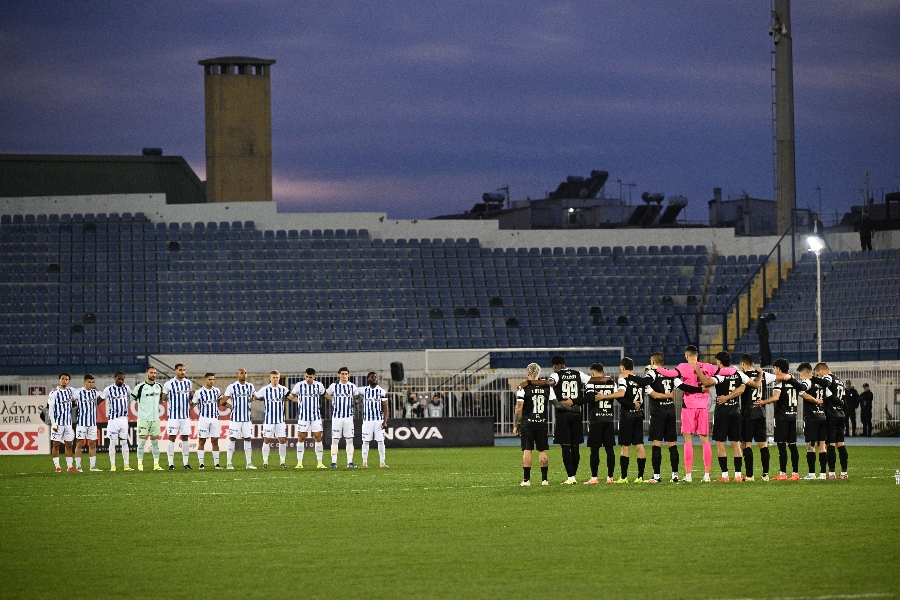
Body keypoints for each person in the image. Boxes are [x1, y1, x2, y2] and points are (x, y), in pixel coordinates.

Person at [655, 346, 737, 482]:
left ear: (687, 356)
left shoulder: (683, 366)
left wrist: (655, 368)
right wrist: (735, 369)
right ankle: (707, 475)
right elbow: (727, 371)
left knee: (688, 440)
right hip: (703, 407)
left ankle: (688, 476)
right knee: (705, 440)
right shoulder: (707, 366)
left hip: (689, 406)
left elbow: (669, 374)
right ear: (697, 355)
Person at [643, 353, 701, 483]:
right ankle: (675, 475)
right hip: (670, 412)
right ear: (662, 362)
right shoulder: (671, 373)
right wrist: (699, 389)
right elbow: (683, 387)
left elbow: (655, 395)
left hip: (658, 413)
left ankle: (656, 476)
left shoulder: (651, 374)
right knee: (672, 444)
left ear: (652, 361)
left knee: (656, 444)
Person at [596, 357, 648, 484]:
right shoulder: (639, 380)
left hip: (627, 416)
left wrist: (604, 396)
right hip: (639, 414)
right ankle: (640, 477)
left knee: (625, 446)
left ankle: (624, 477)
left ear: (622, 367)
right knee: (639, 445)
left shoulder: (623, 378)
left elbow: (620, 394)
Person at [698, 352, 745, 482]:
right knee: (736, 444)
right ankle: (738, 476)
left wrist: (698, 370)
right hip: (735, 411)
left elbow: (706, 383)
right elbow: (743, 387)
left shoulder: (720, 375)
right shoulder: (738, 374)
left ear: (719, 362)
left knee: (720, 443)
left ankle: (725, 476)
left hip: (722, 413)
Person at [754, 358, 803, 480]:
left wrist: (763, 402)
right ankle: (795, 473)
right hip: (793, 415)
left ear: (779, 369)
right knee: (792, 445)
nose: (774, 371)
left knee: (781, 445)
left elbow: (776, 397)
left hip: (782, 417)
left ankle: (782, 474)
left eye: (775, 368)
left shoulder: (779, 383)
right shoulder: (794, 381)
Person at [547, 355, 592, 484]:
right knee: (576, 445)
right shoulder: (578, 373)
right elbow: (591, 381)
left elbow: (551, 383)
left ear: (555, 365)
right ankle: (573, 475)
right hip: (577, 413)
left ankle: (571, 477)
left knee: (566, 446)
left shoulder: (556, 375)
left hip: (563, 414)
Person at [735, 354, 776, 481]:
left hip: (748, 414)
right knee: (763, 444)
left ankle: (750, 475)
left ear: (742, 364)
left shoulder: (743, 376)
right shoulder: (763, 375)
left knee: (746, 444)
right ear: (753, 363)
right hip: (761, 413)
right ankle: (765, 474)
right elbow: (779, 377)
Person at [514, 363, 553, 486]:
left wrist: (516, 424)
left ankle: (526, 480)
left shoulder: (523, 387)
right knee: (542, 451)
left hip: (528, 423)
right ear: (539, 373)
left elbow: (519, 408)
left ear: (527, 373)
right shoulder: (547, 387)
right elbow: (554, 402)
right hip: (541, 422)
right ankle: (544, 480)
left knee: (527, 450)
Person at [582, 363, 617, 484]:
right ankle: (610, 477)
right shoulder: (612, 382)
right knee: (609, 449)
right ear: (603, 371)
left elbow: (588, 398)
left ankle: (594, 477)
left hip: (596, 420)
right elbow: (619, 395)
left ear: (592, 373)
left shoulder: (591, 383)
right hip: (608, 418)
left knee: (594, 450)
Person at [814, 363, 849, 479]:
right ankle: (844, 473)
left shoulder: (827, 378)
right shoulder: (840, 381)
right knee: (841, 444)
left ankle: (832, 473)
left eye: (818, 374)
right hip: (840, 414)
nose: (818, 376)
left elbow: (826, 386)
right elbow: (844, 400)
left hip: (831, 415)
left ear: (822, 370)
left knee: (830, 444)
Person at [287, 368, 326, 469]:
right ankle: (299, 463)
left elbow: (324, 395)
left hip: (316, 416)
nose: (308, 379)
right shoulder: (299, 385)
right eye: (307, 377)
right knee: (301, 437)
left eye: (310, 377)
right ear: (305, 376)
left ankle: (320, 463)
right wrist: (298, 400)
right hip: (303, 416)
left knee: (318, 437)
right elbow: (291, 396)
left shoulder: (319, 385)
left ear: (314, 376)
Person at [130, 366, 164, 471]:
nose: (153, 375)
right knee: (141, 442)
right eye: (151, 373)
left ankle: (156, 465)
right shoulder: (140, 387)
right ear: (146, 373)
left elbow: (160, 400)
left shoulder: (159, 386)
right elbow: (131, 399)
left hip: (155, 419)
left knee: (155, 442)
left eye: (155, 373)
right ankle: (140, 465)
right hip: (143, 419)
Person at [796, 363, 827, 480]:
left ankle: (812, 473)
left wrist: (814, 401)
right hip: (822, 416)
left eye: (800, 374)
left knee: (810, 446)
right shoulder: (820, 382)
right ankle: (823, 474)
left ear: (804, 373)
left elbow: (801, 391)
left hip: (812, 418)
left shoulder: (807, 382)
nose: (800, 377)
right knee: (822, 446)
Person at [324, 367, 359, 468]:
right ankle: (334, 462)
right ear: (339, 375)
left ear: (348, 375)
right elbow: (326, 394)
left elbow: (357, 397)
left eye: (346, 374)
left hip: (348, 417)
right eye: (342, 374)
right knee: (335, 440)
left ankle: (350, 462)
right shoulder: (334, 386)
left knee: (349, 440)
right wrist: (334, 399)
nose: (344, 376)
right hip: (337, 417)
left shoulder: (352, 386)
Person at [254, 371, 290, 468]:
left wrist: (299, 400)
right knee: (267, 440)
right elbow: (256, 396)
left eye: (277, 377)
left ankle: (282, 462)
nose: (275, 379)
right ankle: (265, 462)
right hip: (268, 420)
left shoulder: (283, 389)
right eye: (273, 377)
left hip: (280, 420)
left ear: (279, 378)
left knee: (282, 440)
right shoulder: (265, 389)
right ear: (270, 378)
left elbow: (290, 397)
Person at [162, 363, 194, 470]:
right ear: (175, 371)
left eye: (184, 370)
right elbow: (163, 397)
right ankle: (171, 463)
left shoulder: (188, 383)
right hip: (173, 416)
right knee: (172, 437)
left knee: (185, 438)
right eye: (180, 370)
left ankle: (186, 463)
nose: (182, 372)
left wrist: (193, 397)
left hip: (185, 416)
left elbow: (190, 395)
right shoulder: (169, 384)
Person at [223, 368, 257, 469]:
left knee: (248, 439)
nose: (244, 375)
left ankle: (249, 463)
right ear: (237, 374)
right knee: (232, 438)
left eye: (245, 373)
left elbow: (256, 396)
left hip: (247, 418)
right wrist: (231, 407)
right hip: (235, 419)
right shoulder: (232, 387)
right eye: (241, 373)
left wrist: (252, 398)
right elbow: (224, 400)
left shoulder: (250, 386)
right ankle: (229, 463)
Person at [100, 371, 132, 471]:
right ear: (115, 378)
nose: (121, 381)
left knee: (124, 442)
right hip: (113, 420)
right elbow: (100, 399)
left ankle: (126, 465)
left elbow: (132, 397)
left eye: (122, 379)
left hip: (124, 419)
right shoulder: (108, 389)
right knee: (112, 442)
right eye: (119, 378)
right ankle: (113, 466)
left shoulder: (126, 388)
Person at [192, 373, 223, 469]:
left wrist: (231, 406)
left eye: (213, 379)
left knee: (215, 441)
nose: (211, 381)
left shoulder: (217, 391)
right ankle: (201, 463)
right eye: (210, 379)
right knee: (202, 441)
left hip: (214, 419)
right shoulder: (199, 392)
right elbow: (193, 404)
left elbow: (220, 402)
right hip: (204, 419)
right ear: (205, 380)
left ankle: (216, 464)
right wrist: (185, 409)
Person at [72, 374, 101, 472]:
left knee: (92, 444)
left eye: (93, 382)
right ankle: (78, 466)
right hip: (81, 423)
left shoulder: (95, 393)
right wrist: (56, 389)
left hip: (92, 423)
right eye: (89, 382)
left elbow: (104, 396)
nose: (91, 384)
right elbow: (67, 394)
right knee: (79, 444)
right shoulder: (78, 392)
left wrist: (97, 390)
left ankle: (93, 466)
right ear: (84, 382)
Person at [360, 371, 389, 468]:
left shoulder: (381, 391)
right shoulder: (364, 390)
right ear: (368, 379)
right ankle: (364, 463)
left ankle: (382, 462)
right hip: (367, 420)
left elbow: (385, 407)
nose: (374, 379)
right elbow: (353, 390)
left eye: (375, 377)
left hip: (378, 420)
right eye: (372, 377)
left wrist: (385, 421)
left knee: (381, 441)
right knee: (365, 441)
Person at [49, 373, 76, 472]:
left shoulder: (71, 391)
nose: (64, 381)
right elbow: (51, 409)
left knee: (69, 444)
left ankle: (70, 467)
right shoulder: (54, 393)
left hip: (68, 423)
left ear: (69, 381)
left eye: (67, 379)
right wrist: (53, 423)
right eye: (63, 379)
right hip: (58, 423)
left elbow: (81, 392)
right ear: (59, 380)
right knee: (56, 444)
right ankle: (57, 467)